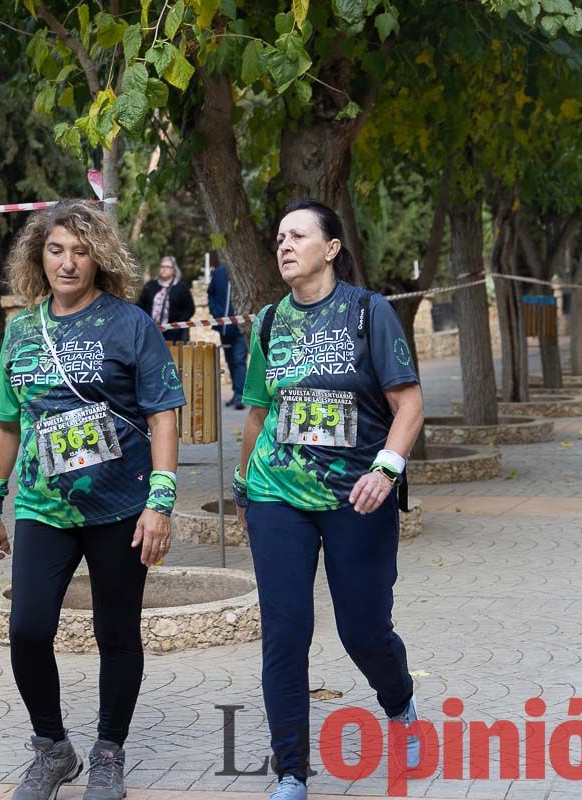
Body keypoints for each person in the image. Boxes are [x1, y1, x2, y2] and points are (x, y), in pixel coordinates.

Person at [0, 201, 186, 800]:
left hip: (121, 506)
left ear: (99, 257)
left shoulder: (129, 324)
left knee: (116, 633)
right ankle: (52, 748)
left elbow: (163, 413)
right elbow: (5, 424)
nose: (67, 262)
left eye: (80, 250)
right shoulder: (20, 331)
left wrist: (161, 502)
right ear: (37, 258)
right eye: (55, 250)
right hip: (45, 506)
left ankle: (109, 752)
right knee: (27, 628)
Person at [233, 198, 425, 800]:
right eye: (280, 237)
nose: (285, 245)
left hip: (357, 497)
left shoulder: (370, 315)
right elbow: (258, 412)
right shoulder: (269, 323)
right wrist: (243, 485)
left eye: (299, 235)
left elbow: (408, 405)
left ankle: (400, 704)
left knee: (363, 629)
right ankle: (290, 769)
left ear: (332, 248)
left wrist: (386, 471)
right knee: (285, 630)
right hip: (277, 494)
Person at [207, 262, 247, 409]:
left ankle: (240, 396)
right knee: (230, 360)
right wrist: (215, 312)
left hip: (240, 328)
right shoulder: (220, 271)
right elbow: (211, 293)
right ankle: (235, 392)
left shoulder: (244, 268)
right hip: (224, 327)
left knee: (238, 361)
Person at [138, 255, 195, 342]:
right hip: (151, 331)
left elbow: (189, 309)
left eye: (168, 267)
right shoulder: (150, 286)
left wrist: (178, 324)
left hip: (173, 334)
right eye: (162, 266)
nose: (164, 269)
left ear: (174, 270)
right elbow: (141, 305)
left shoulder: (181, 288)